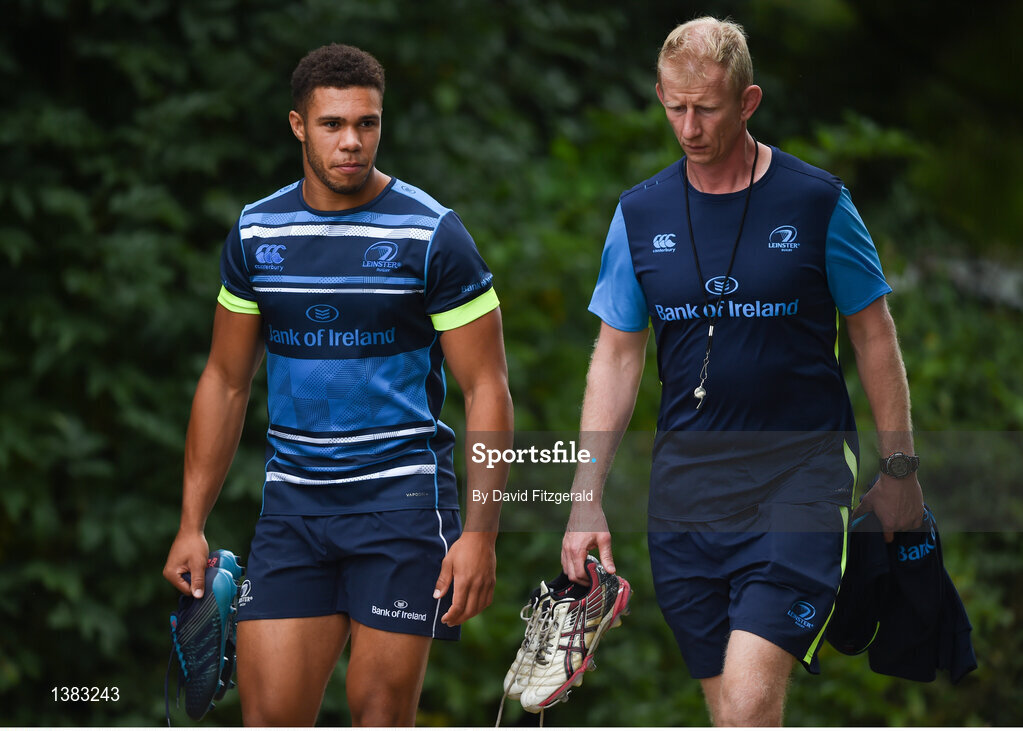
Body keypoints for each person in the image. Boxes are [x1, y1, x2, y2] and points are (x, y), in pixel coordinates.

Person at [560, 17, 924, 726]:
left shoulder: (818, 202)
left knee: (751, 702)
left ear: (748, 101)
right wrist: (584, 496)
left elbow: (873, 335)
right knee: (730, 709)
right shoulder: (638, 214)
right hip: (684, 500)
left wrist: (900, 468)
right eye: (674, 107)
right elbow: (616, 353)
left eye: (707, 108)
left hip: (799, 481)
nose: (688, 126)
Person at [163, 43, 513, 726]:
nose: (351, 141)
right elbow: (226, 381)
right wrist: (190, 524)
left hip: (404, 508)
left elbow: (488, 388)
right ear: (298, 125)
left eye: (367, 123)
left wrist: (480, 533)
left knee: (379, 716)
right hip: (294, 508)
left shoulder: (433, 234)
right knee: (270, 719)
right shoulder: (256, 232)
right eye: (332, 125)